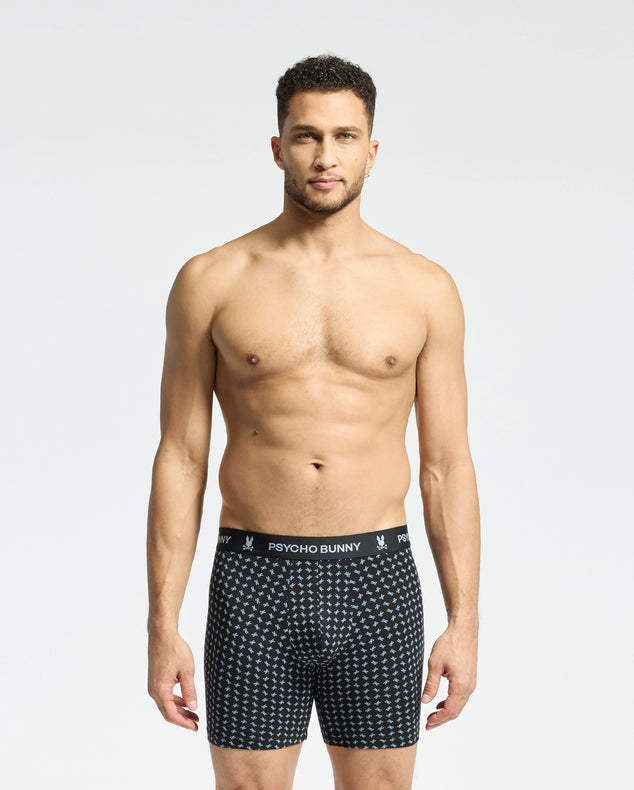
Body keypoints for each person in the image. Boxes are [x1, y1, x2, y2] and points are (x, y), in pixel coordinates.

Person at [146, 53, 480, 790]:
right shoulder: (212, 280)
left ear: (372, 150)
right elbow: (181, 458)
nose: (326, 156)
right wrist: (162, 625)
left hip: (379, 580)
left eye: (344, 136)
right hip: (254, 578)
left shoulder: (424, 288)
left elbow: (446, 465)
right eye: (306, 136)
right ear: (278, 148)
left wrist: (465, 621)